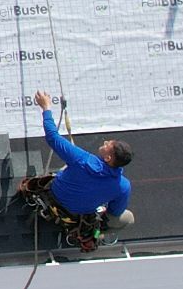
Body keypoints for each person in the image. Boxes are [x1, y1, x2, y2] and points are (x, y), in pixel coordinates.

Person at [19, 89, 135, 240]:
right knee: (128, 218)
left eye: (108, 145)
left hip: (52, 198)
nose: (105, 142)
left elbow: (53, 138)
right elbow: (115, 212)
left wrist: (46, 108)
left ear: (108, 158)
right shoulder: (123, 186)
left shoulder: (82, 160)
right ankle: (97, 236)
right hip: (75, 215)